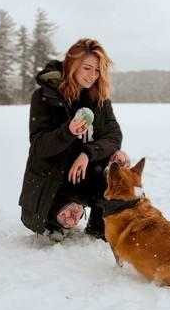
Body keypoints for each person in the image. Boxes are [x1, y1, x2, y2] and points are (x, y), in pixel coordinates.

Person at [18, 38, 130, 240]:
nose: (92, 76)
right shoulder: (45, 97)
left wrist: (88, 153)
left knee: (120, 174)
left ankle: (99, 227)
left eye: (97, 71)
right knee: (65, 219)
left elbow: (114, 136)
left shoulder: (100, 99)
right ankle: (64, 211)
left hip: (89, 175)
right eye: (87, 68)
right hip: (54, 180)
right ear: (72, 65)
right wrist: (68, 132)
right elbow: (39, 146)